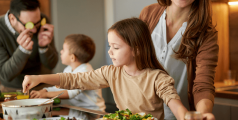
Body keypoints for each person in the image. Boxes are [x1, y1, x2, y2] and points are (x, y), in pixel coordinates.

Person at [22, 18, 188, 120]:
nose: (110, 51)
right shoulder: (111, 73)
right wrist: (39, 78)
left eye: (115, 47)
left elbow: (175, 104)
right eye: (110, 46)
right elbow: (75, 80)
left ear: (136, 49)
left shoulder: (157, 78)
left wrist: (186, 117)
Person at [139, 0, 218, 120]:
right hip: (139, 113)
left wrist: (202, 114)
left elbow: (203, 83)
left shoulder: (206, 33)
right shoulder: (148, 14)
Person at [0, 0, 58, 92]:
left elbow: (51, 65)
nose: (35, 30)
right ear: (12, 19)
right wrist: (23, 50)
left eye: (37, 23)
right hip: (12, 90)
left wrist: (44, 48)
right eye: (29, 25)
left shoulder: (42, 20)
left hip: (43, 88)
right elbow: (5, 75)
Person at [30, 34, 106, 112]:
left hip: (93, 111)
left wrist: (45, 95)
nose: (61, 51)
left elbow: (71, 93)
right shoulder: (68, 69)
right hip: (78, 110)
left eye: (63, 49)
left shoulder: (85, 72)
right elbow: (60, 87)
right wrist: (45, 90)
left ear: (72, 57)